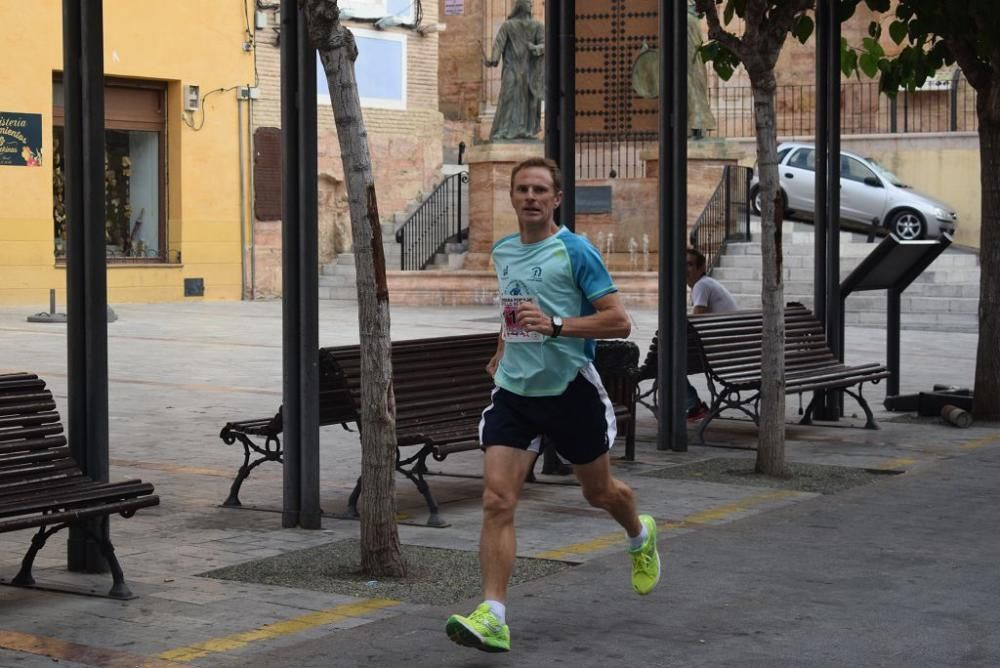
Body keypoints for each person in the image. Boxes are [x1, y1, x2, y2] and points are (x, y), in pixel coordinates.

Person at [445, 158, 661, 653]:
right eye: (522, 189)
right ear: (513, 197)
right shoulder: (503, 251)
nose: (531, 197)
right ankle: (494, 614)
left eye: (540, 189)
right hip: (516, 394)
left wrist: (558, 325)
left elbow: (619, 322)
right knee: (497, 500)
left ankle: (639, 533)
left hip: (570, 390)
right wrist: (503, 349)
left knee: (600, 492)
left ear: (557, 198)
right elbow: (515, 306)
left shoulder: (576, 251)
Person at [686, 247, 738, 420]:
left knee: (669, 365)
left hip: (720, 353)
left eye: (690, 265)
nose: (685, 269)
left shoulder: (701, 285)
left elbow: (695, 321)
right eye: (683, 264)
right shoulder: (708, 283)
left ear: (700, 268)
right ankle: (692, 404)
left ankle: (694, 405)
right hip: (729, 349)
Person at [485, 0, 544, 141]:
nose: (531, 5)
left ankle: (526, 130)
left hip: (529, 69)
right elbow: (499, 43)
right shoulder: (508, 26)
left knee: (528, 99)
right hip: (511, 67)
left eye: (531, 3)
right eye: (528, 2)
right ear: (520, 5)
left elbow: (544, 44)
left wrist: (536, 48)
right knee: (507, 96)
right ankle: (502, 130)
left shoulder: (537, 26)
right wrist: (493, 59)